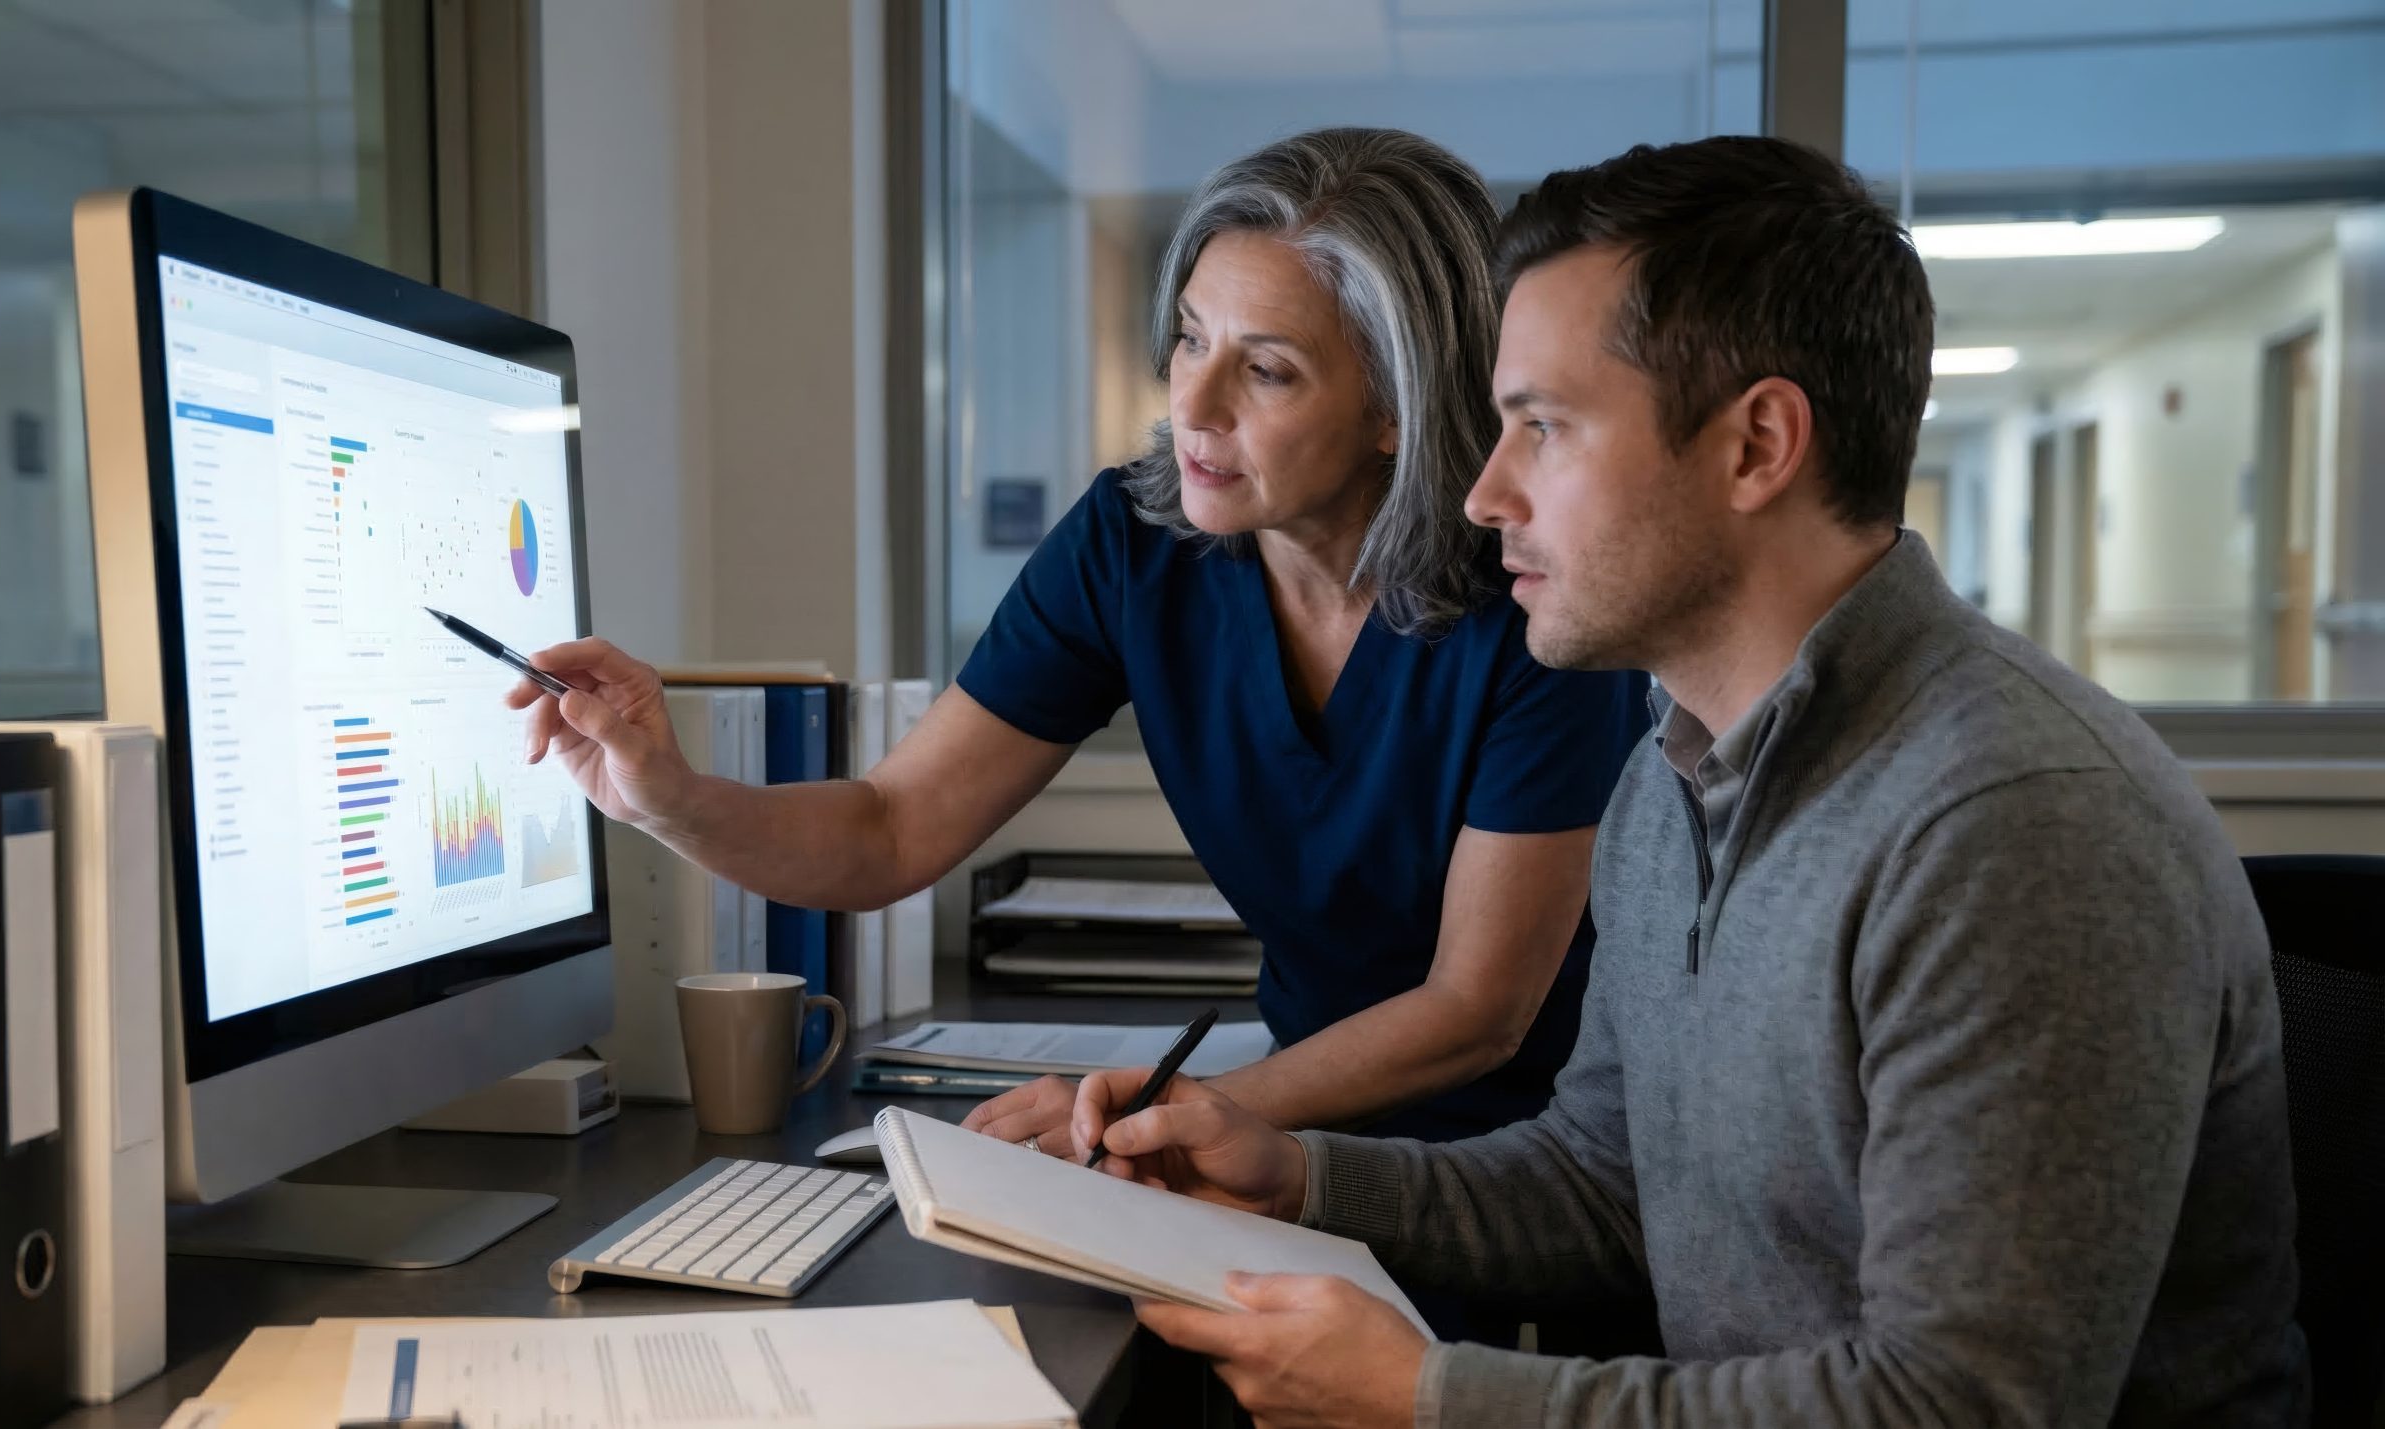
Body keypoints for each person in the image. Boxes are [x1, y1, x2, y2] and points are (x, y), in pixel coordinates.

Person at [1067, 135, 2309, 1426]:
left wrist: (1430, 1398)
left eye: (1543, 428)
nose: (1485, 495)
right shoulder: (1674, 782)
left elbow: (1965, 1404)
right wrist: (1300, 1179)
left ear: (1757, 444)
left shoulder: (2016, 823)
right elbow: (1612, 1179)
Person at [512, 127, 1650, 1147]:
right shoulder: (1135, 542)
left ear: (1397, 407)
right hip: (1278, 1123)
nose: (1192, 406)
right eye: (1189, 338)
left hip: (1530, 1163)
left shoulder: (1527, 597)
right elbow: (888, 828)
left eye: (1264, 369)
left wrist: (1164, 1111)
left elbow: (1475, 1015)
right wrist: (670, 796)